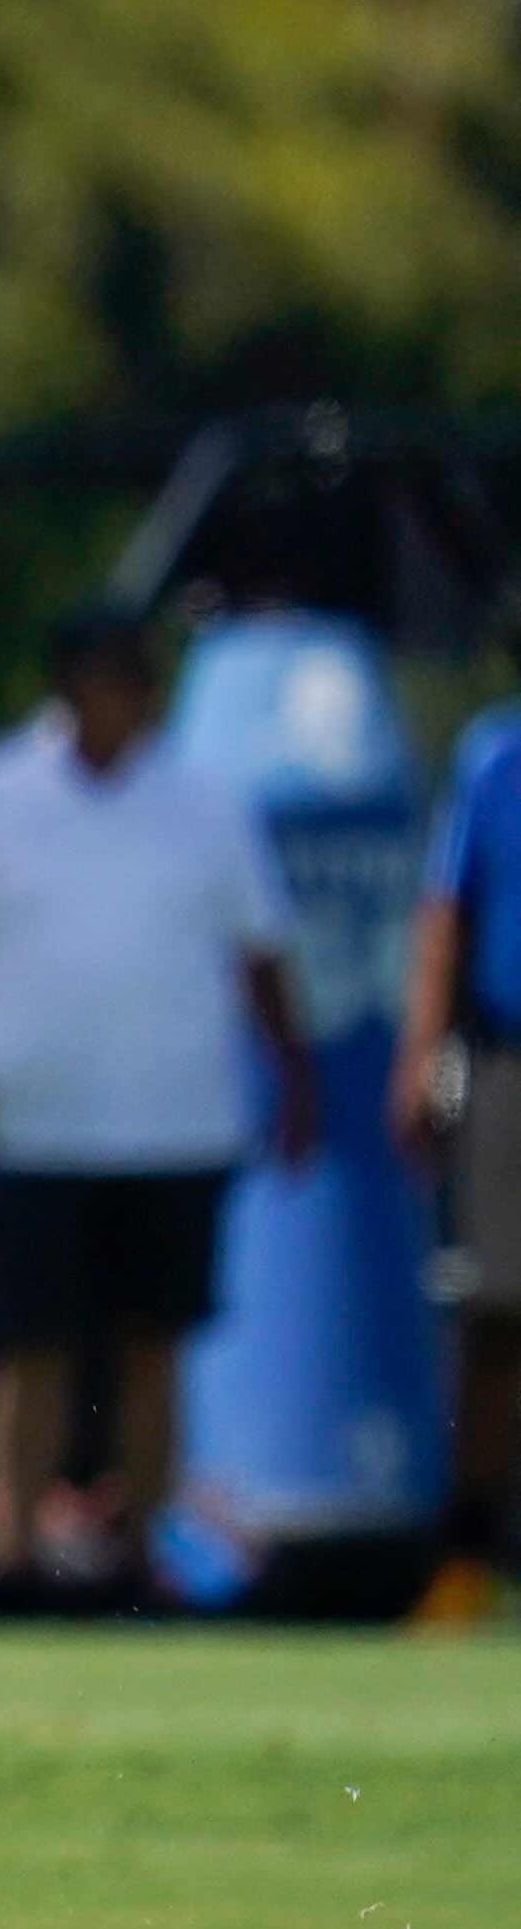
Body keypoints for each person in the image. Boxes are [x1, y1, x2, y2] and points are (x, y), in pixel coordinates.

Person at [0, 607, 314, 1604]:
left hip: (177, 1122)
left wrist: (294, 1078)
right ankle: (11, 1557)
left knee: (153, 1345)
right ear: (68, 685)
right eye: (111, 676)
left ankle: (141, 1560)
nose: (128, 698)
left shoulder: (205, 802)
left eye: (139, 679)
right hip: (34, 1128)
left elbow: (261, 950)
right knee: (30, 1348)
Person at [393, 683, 521, 1619]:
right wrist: (420, 1054)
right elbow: (447, 917)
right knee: (498, 1310)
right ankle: (469, 1550)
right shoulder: (495, 753)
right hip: (508, 1057)